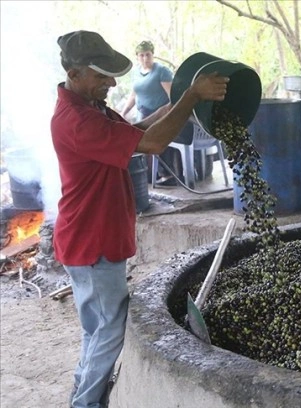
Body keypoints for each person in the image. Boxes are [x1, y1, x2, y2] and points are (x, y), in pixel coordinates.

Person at [51, 30, 228, 408]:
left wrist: (181, 100)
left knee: (96, 330)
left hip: (91, 236)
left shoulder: (91, 108)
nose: (111, 83)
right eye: (102, 76)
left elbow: (135, 132)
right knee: (110, 331)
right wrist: (192, 96)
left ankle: (83, 395)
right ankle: (85, 404)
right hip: (91, 241)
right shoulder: (76, 120)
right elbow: (151, 144)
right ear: (75, 72)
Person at [120, 40, 189, 185]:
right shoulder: (136, 74)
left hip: (160, 114)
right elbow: (134, 95)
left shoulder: (161, 71)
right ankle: (148, 177)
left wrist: (174, 113)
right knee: (139, 144)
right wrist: (123, 112)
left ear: (153, 55)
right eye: (141, 55)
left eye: (148, 55)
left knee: (157, 142)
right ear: (137, 57)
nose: (145, 58)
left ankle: (168, 176)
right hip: (142, 113)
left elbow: (172, 96)